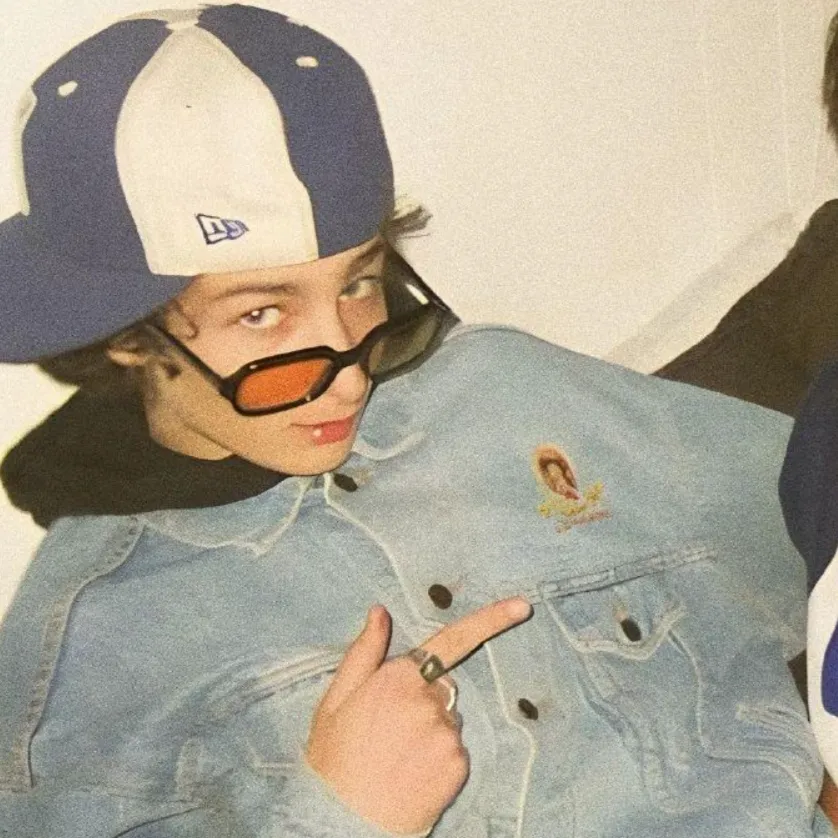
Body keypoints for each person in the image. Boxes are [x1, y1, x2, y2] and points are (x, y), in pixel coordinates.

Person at [0, 5, 831, 836]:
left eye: (359, 284)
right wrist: (341, 819)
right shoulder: (90, 646)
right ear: (125, 335)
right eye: (262, 314)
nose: (347, 371)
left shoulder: (508, 393)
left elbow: (808, 516)